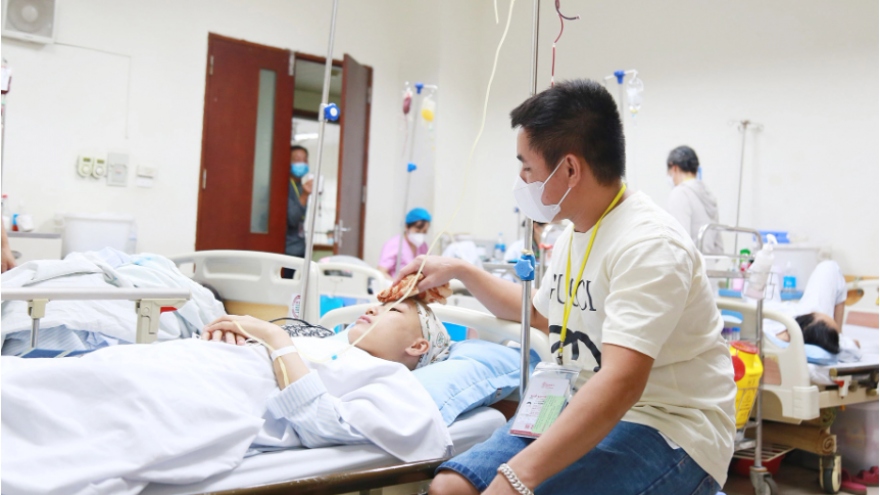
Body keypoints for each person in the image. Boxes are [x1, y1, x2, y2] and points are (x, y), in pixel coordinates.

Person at [397, 80, 735, 495]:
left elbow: (622, 384)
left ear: (570, 170)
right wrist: (459, 270)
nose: (521, 180)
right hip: (575, 401)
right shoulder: (575, 233)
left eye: (527, 168)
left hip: (666, 425)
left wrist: (516, 478)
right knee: (450, 487)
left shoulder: (650, 245)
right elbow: (540, 314)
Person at [2, 300, 453, 493]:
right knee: (66, 378)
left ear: (418, 346)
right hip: (180, 366)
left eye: (393, 310)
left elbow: (324, 426)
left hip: (197, 398)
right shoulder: (327, 346)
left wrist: (275, 339)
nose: (372, 307)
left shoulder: (390, 379)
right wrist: (237, 336)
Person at [765, 260, 859, 356]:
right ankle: (839, 333)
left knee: (766, 265)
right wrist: (841, 339)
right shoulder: (838, 344)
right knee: (829, 266)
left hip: (773, 311)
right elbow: (854, 346)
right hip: (792, 319)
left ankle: (837, 333)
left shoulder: (764, 329)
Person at [666, 145, 724, 254]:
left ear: (674, 168)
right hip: (709, 264)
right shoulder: (709, 195)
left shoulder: (679, 193)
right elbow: (719, 249)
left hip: (690, 264)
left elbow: (679, 246)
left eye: (669, 173)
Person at [378, 207, 431, 279]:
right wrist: (395, 283)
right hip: (396, 283)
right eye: (417, 231)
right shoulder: (394, 244)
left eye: (424, 232)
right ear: (406, 226)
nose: (420, 235)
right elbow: (381, 271)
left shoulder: (423, 246)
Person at [286, 145, 314, 259]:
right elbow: (292, 219)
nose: (302, 163)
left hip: (300, 247)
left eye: (305, 160)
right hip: (288, 251)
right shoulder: (284, 187)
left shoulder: (300, 186)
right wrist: (304, 195)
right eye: (297, 160)